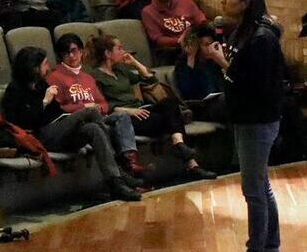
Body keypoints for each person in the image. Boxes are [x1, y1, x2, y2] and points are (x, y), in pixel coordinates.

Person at [211, 0, 285, 252]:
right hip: (250, 117)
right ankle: (271, 250)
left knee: (253, 190)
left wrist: (222, 63)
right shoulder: (249, 32)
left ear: (245, 2)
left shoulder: (261, 38)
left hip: (257, 120)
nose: (223, 1)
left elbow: (255, 85)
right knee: (261, 186)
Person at [1, 47, 141, 202]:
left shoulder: (42, 85)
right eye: (45, 64)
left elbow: (58, 112)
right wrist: (44, 102)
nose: (48, 68)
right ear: (34, 68)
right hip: (38, 137)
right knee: (91, 112)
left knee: (93, 129)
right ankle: (119, 171)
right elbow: (20, 122)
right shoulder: (14, 90)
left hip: (59, 131)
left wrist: (67, 116)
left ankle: (115, 184)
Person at [87, 33, 215, 181]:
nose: (124, 51)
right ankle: (192, 165)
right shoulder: (95, 76)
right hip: (125, 118)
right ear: (108, 53)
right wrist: (128, 110)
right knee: (173, 120)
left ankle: (179, 145)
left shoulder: (121, 71)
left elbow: (151, 79)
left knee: (169, 103)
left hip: (142, 111)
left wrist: (134, 63)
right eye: (119, 48)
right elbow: (103, 105)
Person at [46, 33, 144, 184]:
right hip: (76, 123)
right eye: (67, 53)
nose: (72, 56)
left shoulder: (88, 77)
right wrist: (83, 106)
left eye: (75, 51)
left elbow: (104, 103)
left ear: (82, 51)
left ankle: (131, 162)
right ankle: (120, 168)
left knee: (122, 116)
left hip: (99, 118)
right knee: (94, 118)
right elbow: (58, 110)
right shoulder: (55, 77)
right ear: (61, 55)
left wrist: (99, 107)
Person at [141, 0, 208, 61]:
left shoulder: (186, 2)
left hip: (195, 43)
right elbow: (158, 39)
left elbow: (201, 21)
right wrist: (180, 41)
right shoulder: (148, 11)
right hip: (171, 51)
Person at [174, 25, 228, 122]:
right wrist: (191, 57)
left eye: (211, 44)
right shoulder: (183, 64)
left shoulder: (214, 62)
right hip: (200, 108)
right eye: (206, 45)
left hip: (219, 102)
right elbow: (187, 91)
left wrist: (221, 60)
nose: (210, 48)